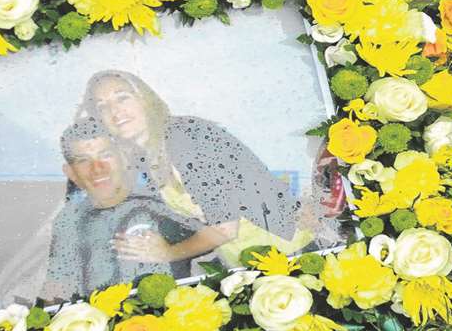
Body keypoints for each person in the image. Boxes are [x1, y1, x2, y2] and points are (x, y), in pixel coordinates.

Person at [76, 70, 332, 276]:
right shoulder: (148, 155)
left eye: (122, 97)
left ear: (144, 98)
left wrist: (168, 253)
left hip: (291, 255)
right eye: (102, 106)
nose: (114, 111)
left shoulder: (185, 137)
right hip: (249, 264)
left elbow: (224, 229)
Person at [39, 117, 228, 300]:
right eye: (83, 160)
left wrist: (173, 252)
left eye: (106, 155)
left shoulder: (160, 202)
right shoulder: (68, 219)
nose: (97, 168)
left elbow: (220, 234)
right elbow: (57, 286)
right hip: (95, 324)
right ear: (71, 173)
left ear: (123, 158)